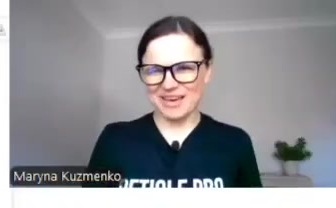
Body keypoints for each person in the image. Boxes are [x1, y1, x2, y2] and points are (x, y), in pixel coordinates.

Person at [88, 15, 261, 188]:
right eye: (154, 70)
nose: (168, 84)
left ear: (207, 71)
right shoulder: (114, 141)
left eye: (184, 68)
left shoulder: (236, 144)